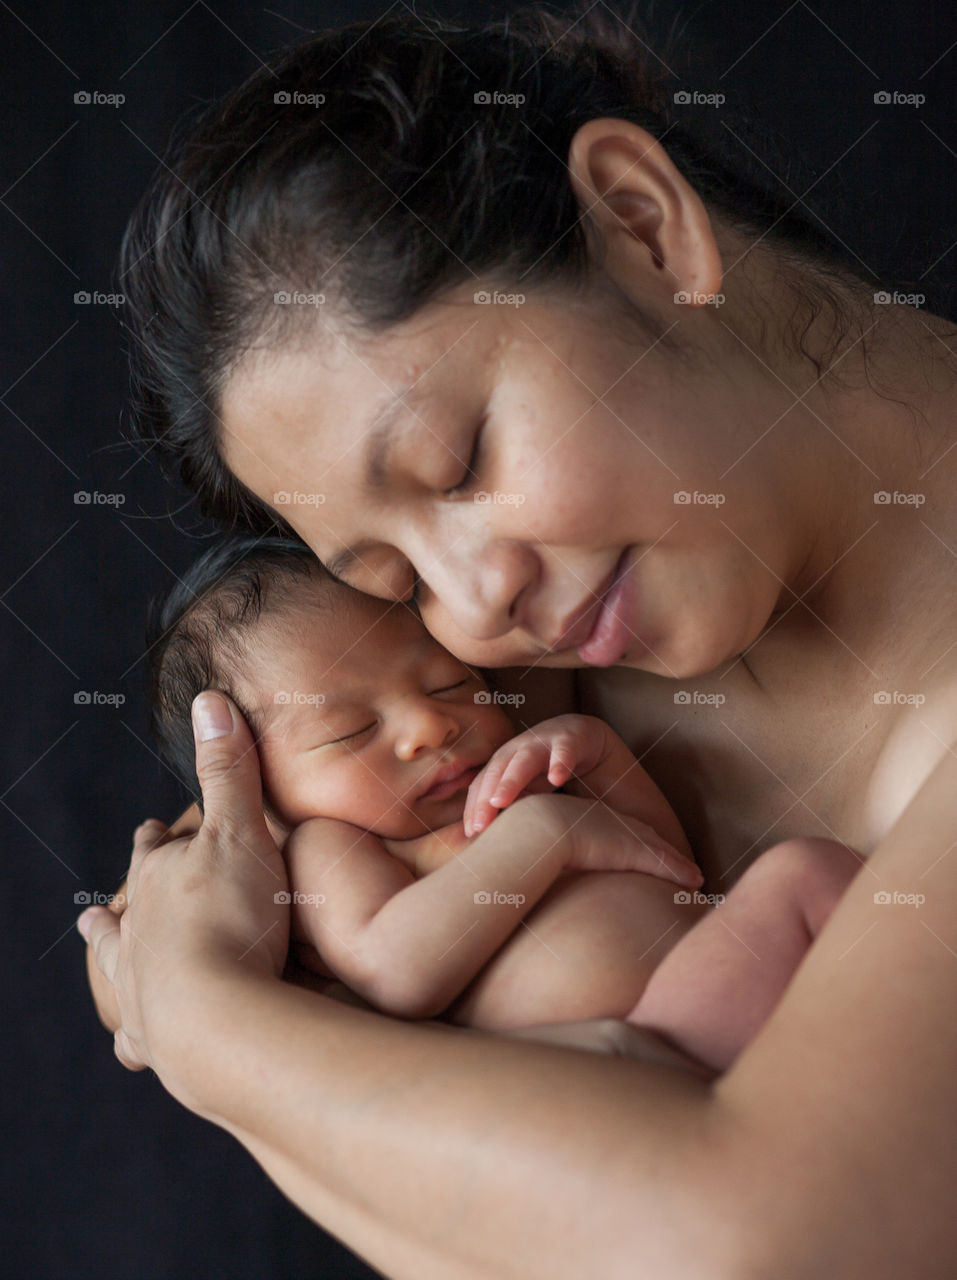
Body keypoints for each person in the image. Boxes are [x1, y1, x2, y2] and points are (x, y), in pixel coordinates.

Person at [81, 5, 957, 1276]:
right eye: (384, 574)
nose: (473, 605)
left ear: (647, 228)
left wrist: (215, 1029)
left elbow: (756, 1245)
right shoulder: (509, 707)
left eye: (463, 462)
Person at [120, 531, 860, 1068]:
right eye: (350, 731)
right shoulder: (330, 846)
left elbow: (674, 869)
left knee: (807, 874)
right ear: (259, 793)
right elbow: (392, 970)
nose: (428, 724)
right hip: (602, 1070)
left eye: (447, 683)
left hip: (709, 996)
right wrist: (545, 834)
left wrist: (600, 760)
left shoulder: (513, 768)